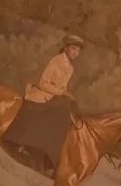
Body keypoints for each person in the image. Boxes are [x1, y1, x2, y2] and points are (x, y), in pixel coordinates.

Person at [6, 34, 86, 171]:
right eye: (73, 49)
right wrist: (61, 93)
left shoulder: (71, 68)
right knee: (57, 112)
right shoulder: (56, 61)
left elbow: (63, 87)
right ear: (66, 48)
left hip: (54, 97)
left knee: (67, 114)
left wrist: (65, 94)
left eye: (78, 51)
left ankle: (49, 155)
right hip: (42, 94)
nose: (75, 53)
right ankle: (28, 146)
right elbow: (42, 83)